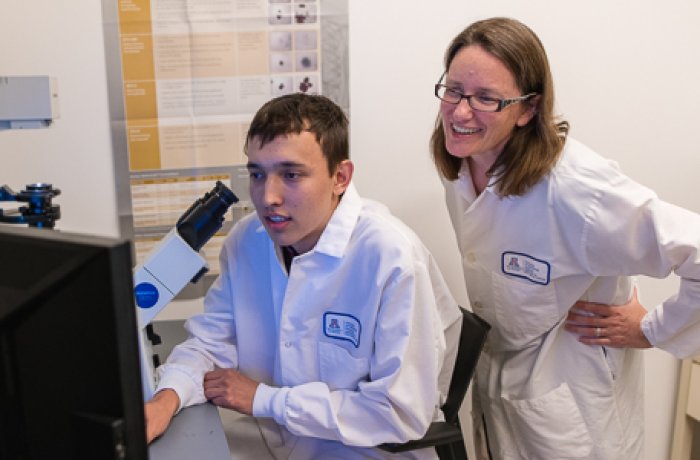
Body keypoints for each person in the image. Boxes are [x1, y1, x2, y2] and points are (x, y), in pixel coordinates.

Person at [431, 16, 700, 460]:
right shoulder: (461, 163)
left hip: (573, 409)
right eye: (454, 90)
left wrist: (651, 329)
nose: (460, 111)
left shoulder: (579, 189)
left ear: (527, 109)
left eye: (485, 98)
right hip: (503, 389)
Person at [145, 93, 463, 459]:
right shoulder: (248, 240)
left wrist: (266, 400)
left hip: (364, 450)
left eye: (291, 175)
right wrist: (164, 401)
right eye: (257, 174)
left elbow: (400, 412)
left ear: (340, 177)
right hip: (274, 439)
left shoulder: (391, 258)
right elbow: (209, 344)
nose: (268, 197)